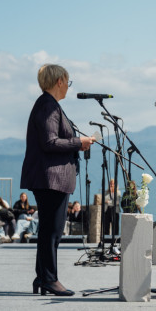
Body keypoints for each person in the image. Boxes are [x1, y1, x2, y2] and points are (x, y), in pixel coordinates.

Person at [20, 64, 95, 297]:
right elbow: (49, 142)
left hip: (52, 178)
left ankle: (42, 277)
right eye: (68, 82)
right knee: (51, 232)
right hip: (50, 178)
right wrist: (78, 142)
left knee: (50, 231)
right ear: (59, 81)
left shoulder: (49, 105)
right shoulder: (48, 106)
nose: (68, 87)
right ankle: (49, 280)